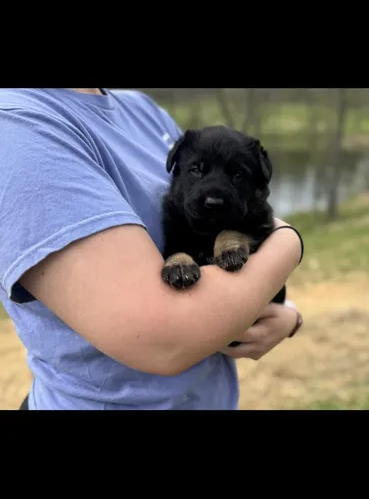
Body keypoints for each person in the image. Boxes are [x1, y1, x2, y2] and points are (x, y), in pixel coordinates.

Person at [0, 88, 303, 411]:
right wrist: (289, 241)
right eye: (199, 171)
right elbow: (164, 343)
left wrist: (289, 316)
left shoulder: (141, 108)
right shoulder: (18, 128)